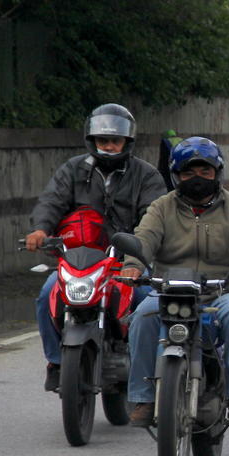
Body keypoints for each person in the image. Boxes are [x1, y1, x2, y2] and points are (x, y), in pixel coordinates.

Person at [121, 137, 229, 427]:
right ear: (176, 176)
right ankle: (144, 398)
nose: (197, 178)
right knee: (142, 317)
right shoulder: (162, 207)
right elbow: (144, 238)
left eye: (204, 171)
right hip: (169, 290)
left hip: (221, 290)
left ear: (217, 173)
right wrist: (133, 265)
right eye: (188, 172)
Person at [25, 103, 166, 392]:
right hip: (80, 261)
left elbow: (154, 217)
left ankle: (148, 373)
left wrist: (138, 250)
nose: (109, 146)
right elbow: (52, 201)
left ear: (127, 141)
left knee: (148, 302)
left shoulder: (146, 175)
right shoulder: (73, 169)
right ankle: (56, 362)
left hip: (127, 260)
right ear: (92, 140)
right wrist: (41, 229)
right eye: (103, 140)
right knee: (47, 294)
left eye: (115, 140)